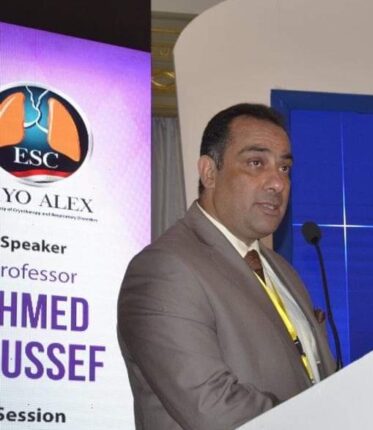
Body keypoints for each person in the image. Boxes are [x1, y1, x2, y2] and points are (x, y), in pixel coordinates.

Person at [117, 103, 335, 430]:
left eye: (284, 168)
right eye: (256, 163)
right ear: (209, 172)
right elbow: (211, 405)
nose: (277, 182)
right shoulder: (163, 269)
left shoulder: (283, 271)